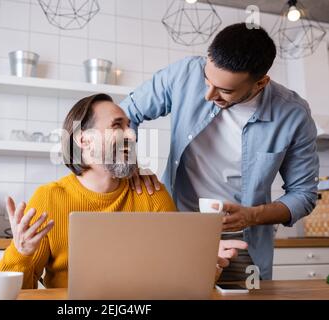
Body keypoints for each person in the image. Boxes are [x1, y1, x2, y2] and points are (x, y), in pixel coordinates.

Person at [119, 23, 319, 281]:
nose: (208, 95)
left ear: (260, 83)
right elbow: (125, 114)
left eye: (225, 91)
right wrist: (129, 165)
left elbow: (304, 195)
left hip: (242, 243)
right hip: (177, 229)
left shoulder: (293, 114)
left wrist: (251, 216)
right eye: (207, 80)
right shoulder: (184, 74)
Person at [0, 93, 247, 289]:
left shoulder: (150, 193)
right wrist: (22, 252)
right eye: (118, 126)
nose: (132, 135)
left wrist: (204, 264)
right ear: (84, 140)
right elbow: (14, 292)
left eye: (129, 126)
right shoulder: (50, 198)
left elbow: (179, 283)